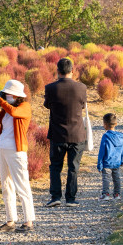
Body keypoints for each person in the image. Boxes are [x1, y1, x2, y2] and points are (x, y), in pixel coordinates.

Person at [0, 80, 36, 233]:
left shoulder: (24, 107)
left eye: (8, 94)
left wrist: (1, 101)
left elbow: (15, 113)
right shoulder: (7, 108)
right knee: (6, 185)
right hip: (3, 149)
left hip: (16, 151)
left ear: (16, 96)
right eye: (4, 94)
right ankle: (10, 221)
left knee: (21, 185)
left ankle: (28, 221)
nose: (6, 96)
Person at [43, 57, 87, 207]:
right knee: (73, 167)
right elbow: (82, 106)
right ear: (72, 70)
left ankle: (55, 197)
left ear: (57, 71)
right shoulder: (82, 88)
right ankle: (71, 198)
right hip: (77, 134)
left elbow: (47, 105)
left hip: (57, 134)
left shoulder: (50, 88)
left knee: (55, 166)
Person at [97, 113, 123, 200]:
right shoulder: (120, 137)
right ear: (115, 124)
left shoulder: (105, 136)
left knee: (106, 179)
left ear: (105, 125)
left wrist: (99, 164)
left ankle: (106, 194)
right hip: (116, 162)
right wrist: (122, 160)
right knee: (116, 178)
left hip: (107, 162)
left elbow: (102, 151)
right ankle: (117, 194)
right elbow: (122, 149)